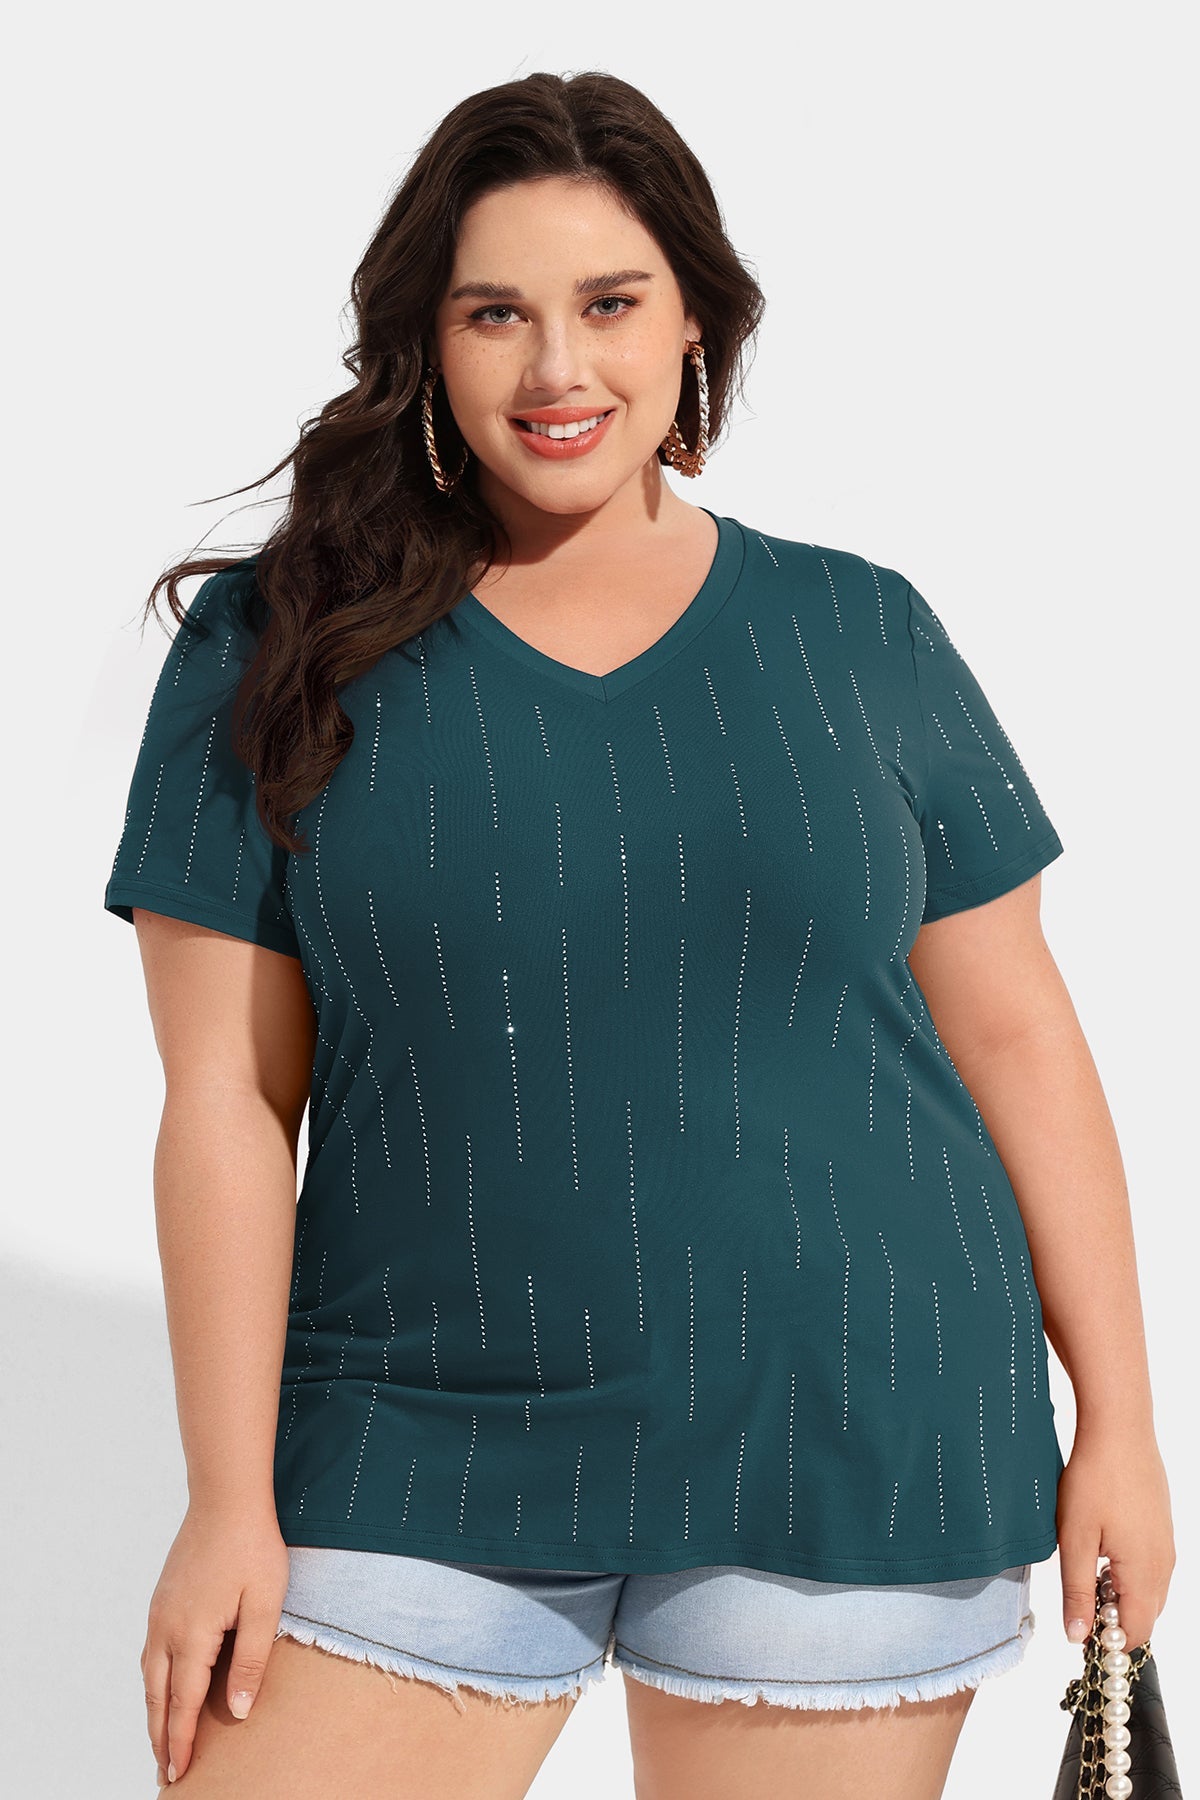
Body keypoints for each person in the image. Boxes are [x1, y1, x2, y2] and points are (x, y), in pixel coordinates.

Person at [103, 69, 1174, 1800]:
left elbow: (1016, 1033)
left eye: (609, 305)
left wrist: (1119, 1413)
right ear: (425, 341)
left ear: (694, 324)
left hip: (849, 1416)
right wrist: (228, 1498)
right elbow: (226, 1098)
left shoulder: (861, 631)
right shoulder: (274, 641)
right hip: (413, 1428)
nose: (557, 369)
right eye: (495, 313)